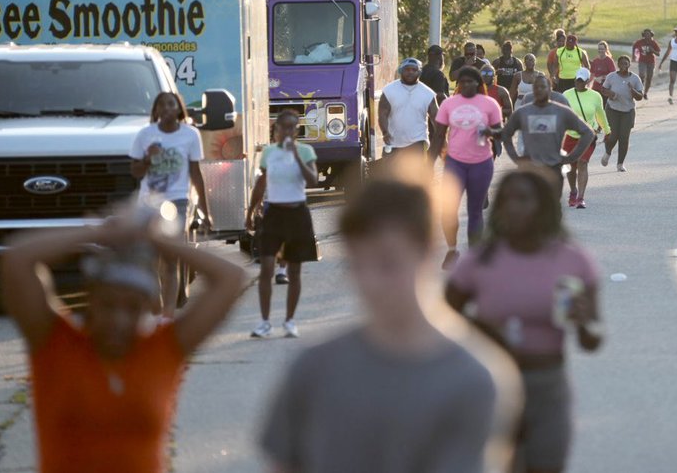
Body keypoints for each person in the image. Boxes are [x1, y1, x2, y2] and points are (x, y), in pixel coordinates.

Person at [263, 174, 519, 473]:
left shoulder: (472, 378)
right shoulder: (313, 368)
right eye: (358, 264)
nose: (370, 282)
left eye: (388, 262)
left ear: (427, 250)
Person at [1, 209, 245, 473]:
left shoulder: (162, 351)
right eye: (108, 305)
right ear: (90, 300)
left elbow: (231, 277)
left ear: (149, 308)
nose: (119, 319)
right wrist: (103, 232)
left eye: (132, 308)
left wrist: (155, 239)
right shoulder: (56, 344)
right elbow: (17, 258)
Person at [447, 167, 603, 473]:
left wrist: (584, 322)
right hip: (488, 387)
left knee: (546, 466)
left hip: (547, 384)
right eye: (505, 199)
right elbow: (441, 319)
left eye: (523, 199)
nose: (513, 206)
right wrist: (482, 331)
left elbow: (592, 339)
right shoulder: (480, 260)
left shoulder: (572, 261)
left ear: (543, 206)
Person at [129, 92, 208, 320]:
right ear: (155, 111)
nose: (166, 108)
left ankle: (167, 318)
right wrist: (147, 158)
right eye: (161, 104)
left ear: (179, 109)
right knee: (151, 261)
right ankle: (155, 313)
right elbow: (135, 171)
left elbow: (196, 173)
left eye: (171, 104)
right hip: (149, 203)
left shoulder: (190, 135)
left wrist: (205, 208)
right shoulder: (145, 135)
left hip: (178, 202)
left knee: (170, 260)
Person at [246, 109, 320, 338]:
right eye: (282, 127)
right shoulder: (269, 153)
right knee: (267, 267)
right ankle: (265, 321)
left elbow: (313, 180)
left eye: (291, 127)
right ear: (275, 130)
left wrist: (297, 156)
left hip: (297, 212)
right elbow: (262, 181)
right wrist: (251, 210)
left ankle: (289, 320)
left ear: (297, 130)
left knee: (295, 271)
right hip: (274, 213)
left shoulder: (306, 151)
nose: (286, 132)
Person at [430, 67, 504, 265]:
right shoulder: (449, 104)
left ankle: (474, 256)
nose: (466, 85)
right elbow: (438, 135)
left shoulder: (489, 104)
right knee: (448, 209)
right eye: (462, 82)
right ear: (458, 84)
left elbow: (499, 132)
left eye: (471, 82)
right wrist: (428, 164)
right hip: (455, 163)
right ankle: (452, 250)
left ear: (479, 84)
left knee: (475, 211)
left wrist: (489, 131)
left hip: (481, 163)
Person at [501, 75, 594, 201]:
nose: (539, 90)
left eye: (543, 87)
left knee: (551, 210)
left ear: (550, 88)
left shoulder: (561, 111)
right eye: (536, 87)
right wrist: (516, 158)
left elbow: (587, 132)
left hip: (553, 168)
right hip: (530, 168)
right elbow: (506, 133)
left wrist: (572, 157)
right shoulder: (523, 112)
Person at [563, 69, 608, 209]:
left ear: (588, 81)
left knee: (583, 162)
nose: (579, 83)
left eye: (582, 81)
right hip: (571, 135)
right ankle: (573, 191)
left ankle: (581, 197)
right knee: (571, 166)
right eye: (577, 80)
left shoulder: (595, 96)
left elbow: (600, 114)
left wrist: (607, 130)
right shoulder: (566, 95)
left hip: (588, 136)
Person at [378, 57, 439, 159]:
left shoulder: (428, 93)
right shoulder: (389, 91)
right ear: (401, 70)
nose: (410, 72)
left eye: (414, 70)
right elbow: (382, 114)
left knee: (415, 174)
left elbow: (436, 117)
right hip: (394, 143)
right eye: (407, 69)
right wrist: (385, 132)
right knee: (391, 175)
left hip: (418, 142)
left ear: (419, 72)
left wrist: (440, 138)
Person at [599, 55, 643, 172]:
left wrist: (632, 91)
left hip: (627, 111)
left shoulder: (635, 79)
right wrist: (611, 94)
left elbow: (640, 96)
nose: (624, 65)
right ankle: (608, 153)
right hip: (612, 109)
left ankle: (620, 164)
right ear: (618, 65)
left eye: (626, 63)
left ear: (629, 65)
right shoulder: (611, 76)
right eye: (622, 63)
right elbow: (603, 89)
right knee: (613, 136)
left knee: (624, 138)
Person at [657, 25, 677, 105]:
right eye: (675, 31)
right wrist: (661, 62)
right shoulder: (671, 41)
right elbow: (668, 52)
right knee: (672, 80)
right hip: (673, 62)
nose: (676, 32)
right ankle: (670, 97)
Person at [632, 28, 660, 100]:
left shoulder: (653, 43)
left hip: (651, 62)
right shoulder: (640, 42)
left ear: (651, 35)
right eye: (645, 34)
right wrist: (633, 56)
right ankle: (640, 89)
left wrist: (652, 50)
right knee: (641, 75)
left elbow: (658, 53)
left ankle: (646, 93)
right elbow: (634, 46)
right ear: (643, 35)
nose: (647, 36)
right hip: (642, 61)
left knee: (649, 78)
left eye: (649, 34)